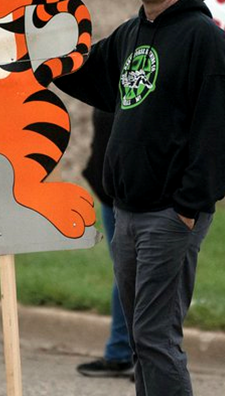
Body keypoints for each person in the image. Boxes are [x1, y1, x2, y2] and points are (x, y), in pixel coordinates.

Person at [55, 0, 225, 396]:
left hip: (171, 214)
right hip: (126, 211)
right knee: (143, 340)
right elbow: (89, 75)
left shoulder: (206, 39)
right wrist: (41, 48)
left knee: (156, 335)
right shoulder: (129, 33)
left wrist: (189, 205)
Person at [75, 108, 134, 379]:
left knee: (146, 278)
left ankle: (146, 357)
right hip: (112, 196)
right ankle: (121, 353)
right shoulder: (111, 72)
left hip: (144, 198)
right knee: (125, 276)